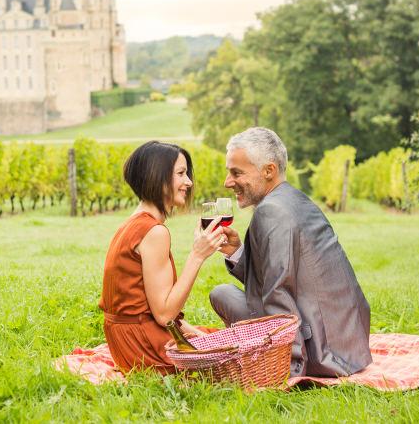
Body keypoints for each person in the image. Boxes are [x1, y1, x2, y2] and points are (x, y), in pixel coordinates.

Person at [209, 127, 372, 377]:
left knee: (221, 294)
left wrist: (290, 367)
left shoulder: (270, 211)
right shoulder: (295, 200)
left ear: (268, 171)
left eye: (236, 172)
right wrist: (236, 253)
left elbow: (278, 290)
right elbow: (287, 275)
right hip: (350, 345)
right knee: (229, 294)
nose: (227, 182)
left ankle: (277, 356)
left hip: (321, 352)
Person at [99, 141, 227, 374]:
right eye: (180, 173)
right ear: (157, 177)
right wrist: (197, 256)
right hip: (142, 346)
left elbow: (149, 307)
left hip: (125, 339)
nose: (188, 182)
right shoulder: (154, 232)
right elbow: (164, 314)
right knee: (230, 355)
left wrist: (193, 333)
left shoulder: (133, 223)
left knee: (214, 337)